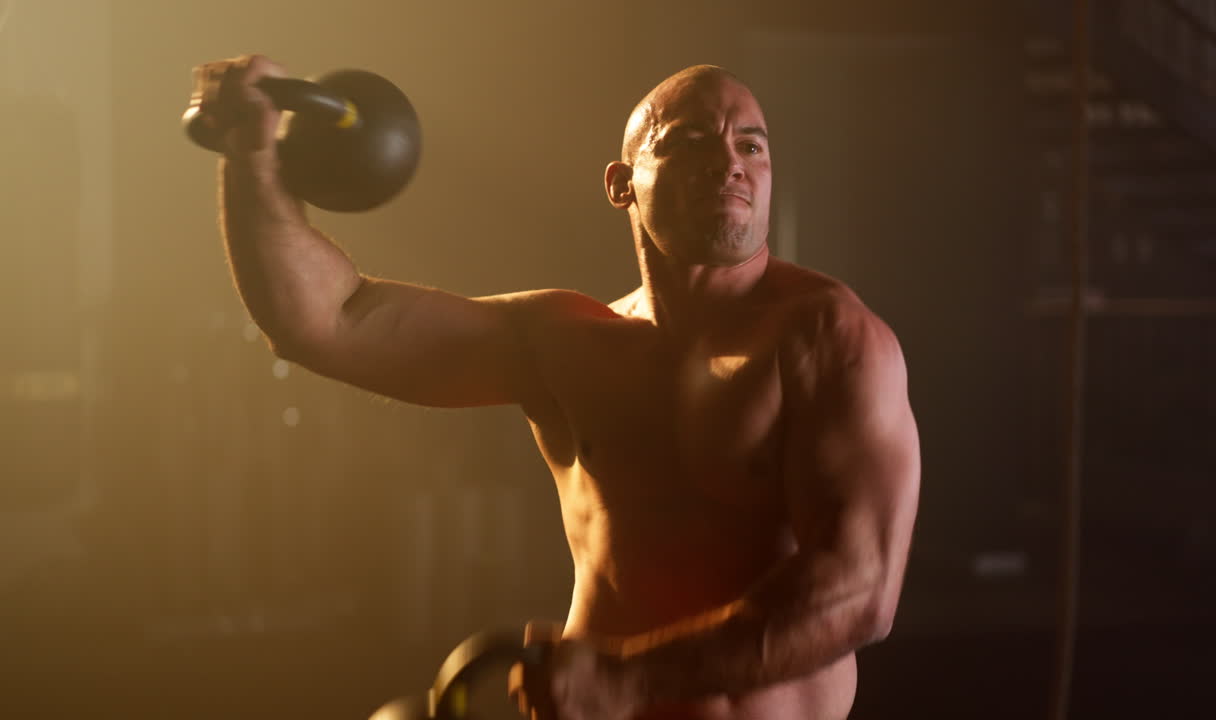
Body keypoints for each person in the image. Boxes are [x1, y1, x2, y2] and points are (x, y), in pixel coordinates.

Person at [193, 55, 920, 720]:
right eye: (690, 141)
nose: (728, 163)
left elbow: (860, 592)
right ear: (620, 184)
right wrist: (250, 156)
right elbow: (329, 321)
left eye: (750, 145)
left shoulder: (828, 339)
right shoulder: (569, 342)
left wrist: (633, 679)